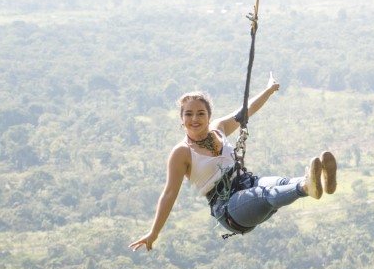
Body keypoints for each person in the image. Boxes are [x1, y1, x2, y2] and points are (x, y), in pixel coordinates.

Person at [129, 75, 336, 251]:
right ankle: (306, 186)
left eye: (201, 113)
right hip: (229, 209)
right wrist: (154, 232)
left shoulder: (219, 129)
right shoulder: (181, 152)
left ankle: (321, 180)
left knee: (281, 182)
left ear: (209, 116)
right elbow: (169, 194)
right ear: (181, 119)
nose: (195, 118)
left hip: (247, 183)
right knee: (266, 194)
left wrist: (269, 90)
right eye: (189, 114)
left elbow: (246, 111)